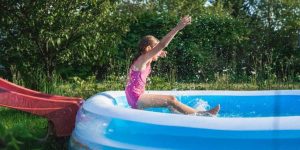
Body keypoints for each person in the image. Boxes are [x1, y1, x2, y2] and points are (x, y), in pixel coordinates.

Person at [125, 15, 220, 116]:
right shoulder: (143, 59)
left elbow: (132, 77)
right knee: (171, 99)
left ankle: (184, 117)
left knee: (171, 105)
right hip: (136, 97)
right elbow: (162, 44)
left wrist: (159, 52)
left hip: (135, 96)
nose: (159, 50)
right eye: (156, 49)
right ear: (149, 49)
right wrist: (178, 28)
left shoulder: (142, 60)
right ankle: (201, 114)